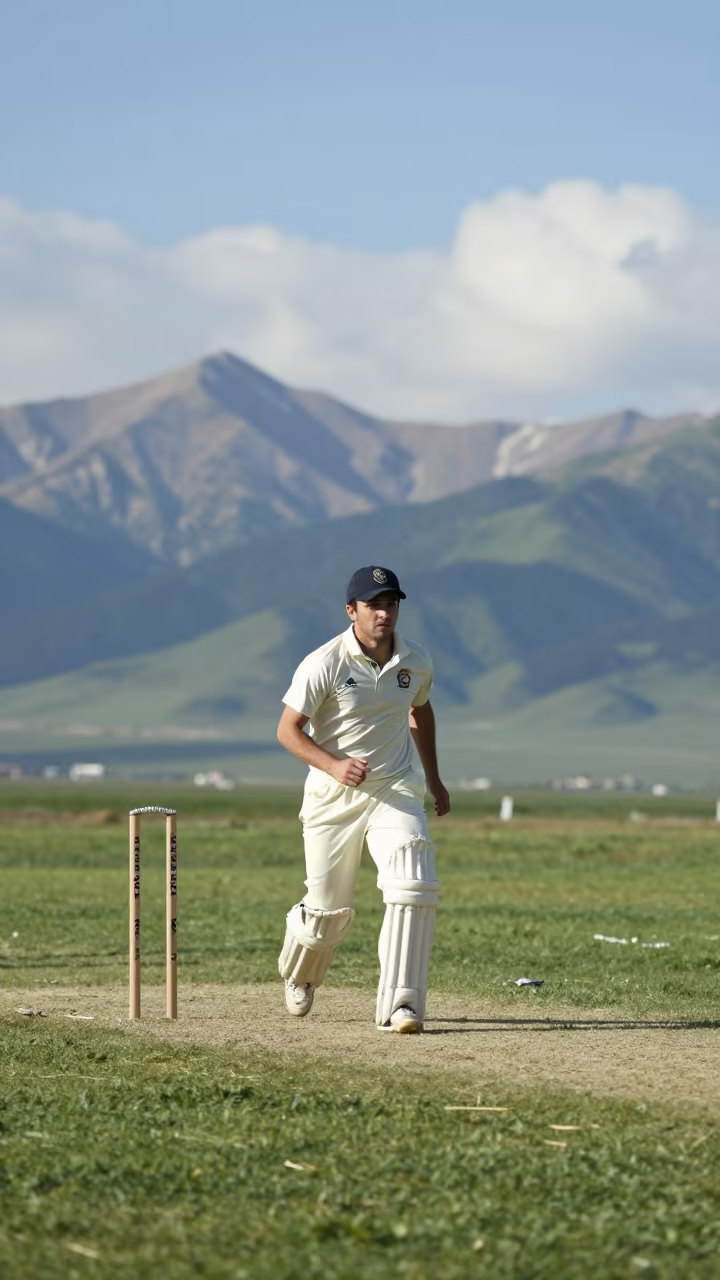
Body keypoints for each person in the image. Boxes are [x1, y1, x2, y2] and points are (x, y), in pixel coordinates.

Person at [276, 565, 450, 1034]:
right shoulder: (324, 662)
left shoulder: (415, 660)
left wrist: (433, 779)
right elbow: (287, 731)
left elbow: (421, 711)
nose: (384, 613)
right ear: (351, 610)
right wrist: (333, 764)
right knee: (328, 911)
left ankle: (402, 1005)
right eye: (374, 604)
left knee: (414, 881)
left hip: (393, 788)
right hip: (334, 798)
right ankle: (300, 972)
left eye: (391, 603)